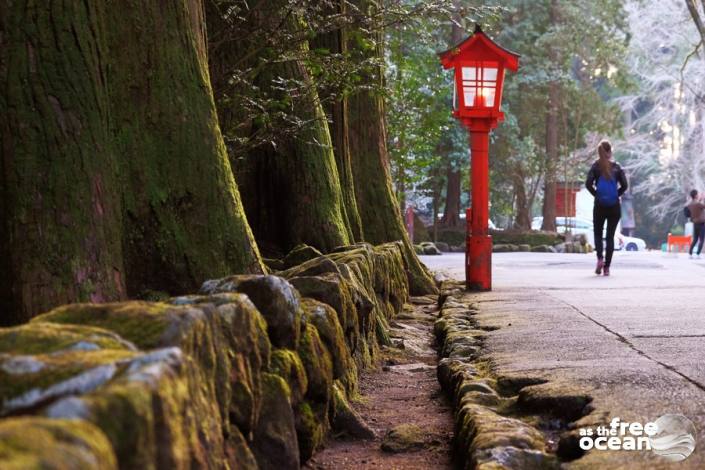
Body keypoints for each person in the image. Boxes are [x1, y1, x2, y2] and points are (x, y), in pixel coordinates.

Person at [585, 140, 628, 276]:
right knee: (610, 237)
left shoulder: (595, 167)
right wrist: (617, 195)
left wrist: (596, 195)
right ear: (610, 152)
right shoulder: (617, 167)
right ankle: (607, 267)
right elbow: (625, 185)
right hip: (614, 206)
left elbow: (588, 184)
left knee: (598, 234)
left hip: (599, 206)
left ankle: (599, 259)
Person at [687, 189, 705, 259]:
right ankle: (697, 254)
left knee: (695, 239)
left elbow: (698, 206)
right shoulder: (698, 204)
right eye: (697, 194)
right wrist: (703, 199)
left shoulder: (690, 204)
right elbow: (703, 206)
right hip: (702, 223)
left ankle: (690, 253)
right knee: (701, 239)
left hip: (695, 223)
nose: (698, 195)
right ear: (695, 195)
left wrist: (700, 200)